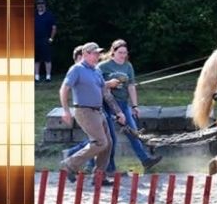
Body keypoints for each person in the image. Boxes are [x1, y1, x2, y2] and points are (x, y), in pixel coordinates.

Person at [58, 42, 125, 183]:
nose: (97, 56)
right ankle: (69, 164)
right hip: (84, 111)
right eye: (95, 53)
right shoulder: (76, 69)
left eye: (98, 53)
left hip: (98, 111)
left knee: (108, 143)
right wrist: (66, 111)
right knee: (100, 142)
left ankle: (99, 177)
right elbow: (64, 89)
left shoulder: (96, 70)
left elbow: (104, 91)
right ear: (85, 54)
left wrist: (118, 112)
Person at [99, 39, 163, 173]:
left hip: (123, 104)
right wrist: (108, 84)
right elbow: (96, 84)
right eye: (120, 52)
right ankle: (106, 166)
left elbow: (131, 86)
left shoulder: (128, 66)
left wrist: (134, 106)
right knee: (109, 137)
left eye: (125, 53)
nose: (123, 55)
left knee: (134, 133)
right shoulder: (103, 66)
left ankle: (145, 161)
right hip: (108, 105)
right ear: (113, 52)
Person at [35, 1, 57, 82]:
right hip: (35, 40)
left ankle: (48, 77)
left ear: (44, 5)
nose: (40, 5)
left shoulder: (49, 15)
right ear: (37, 5)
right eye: (38, 4)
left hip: (45, 39)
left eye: (42, 4)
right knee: (36, 59)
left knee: (47, 59)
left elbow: (54, 28)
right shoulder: (34, 15)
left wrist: (51, 38)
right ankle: (36, 77)